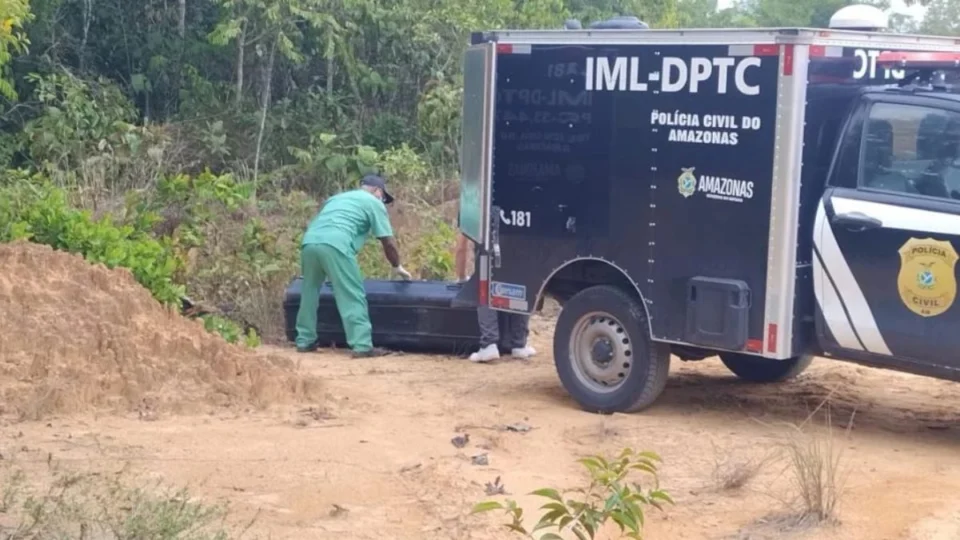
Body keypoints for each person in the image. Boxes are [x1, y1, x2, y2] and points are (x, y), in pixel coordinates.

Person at [296, 175, 412, 357]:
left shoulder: (336, 198)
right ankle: (362, 345)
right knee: (351, 294)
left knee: (309, 292)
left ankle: (304, 340)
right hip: (337, 244)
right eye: (383, 198)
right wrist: (397, 266)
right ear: (378, 191)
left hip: (309, 242)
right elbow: (388, 241)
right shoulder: (374, 203)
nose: (383, 202)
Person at [454, 233, 537, 363]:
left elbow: (462, 246)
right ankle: (519, 344)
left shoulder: (472, 211)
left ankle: (489, 344)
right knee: (519, 286)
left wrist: (461, 277)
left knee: (484, 286)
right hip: (518, 252)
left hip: (488, 255)